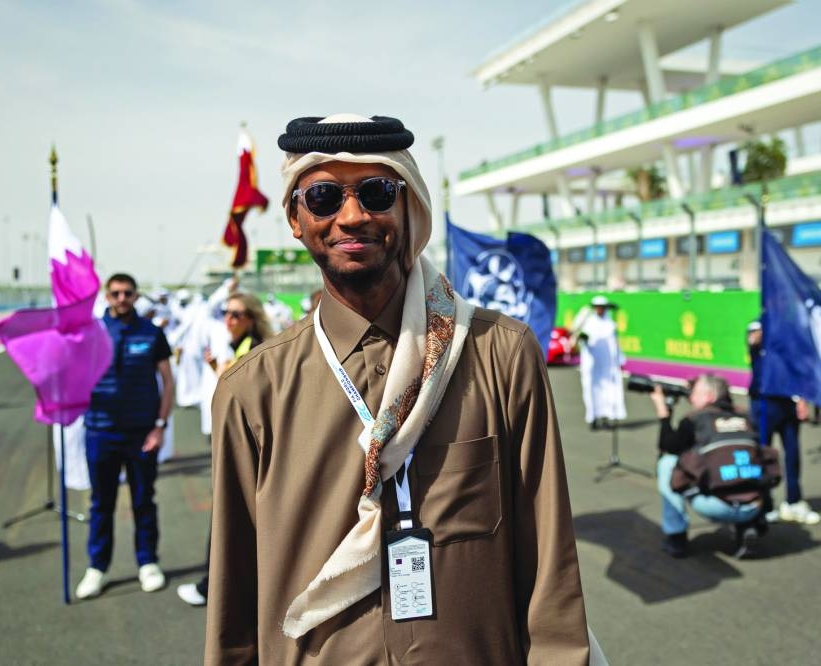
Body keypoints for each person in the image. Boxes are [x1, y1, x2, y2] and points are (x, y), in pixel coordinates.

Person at [205, 114, 589, 664]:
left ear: (407, 206)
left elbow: (550, 562)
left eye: (376, 192)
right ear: (294, 217)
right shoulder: (252, 390)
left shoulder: (499, 355)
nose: (353, 215)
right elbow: (233, 596)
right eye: (323, 197)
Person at [75, 273, 174, 600]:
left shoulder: (151, 332)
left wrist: (160, 425)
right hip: (100, 432)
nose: (121, 298)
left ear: (135, 296)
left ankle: (148, 562)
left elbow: (167, 381)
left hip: (142, 433)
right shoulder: (91, 332)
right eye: (115, 293)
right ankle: (97, 567)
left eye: (127, 293)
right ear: (106, 295)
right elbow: (73, 374)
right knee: (101, 504)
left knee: (144, 501)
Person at [177, 292, 273, 607]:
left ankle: (212, 587)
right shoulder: (241, 347)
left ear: (251, 318)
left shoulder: (256, 350)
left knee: (229, 517)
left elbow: (245, 397)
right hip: (237, 442)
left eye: (236, 314)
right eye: (225, 313)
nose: (228, 320)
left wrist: (221, 372)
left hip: (249, 448)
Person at [650, 374, 777, 559]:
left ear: (709, 396)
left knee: (667, 463)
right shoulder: (746, 417)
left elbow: (667, 446)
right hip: (755, 504)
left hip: (716, 505)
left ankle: (676, 537)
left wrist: (663, 413)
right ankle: (749, 526)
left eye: (694, 392)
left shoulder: (694, 420)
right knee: (743, 463)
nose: (690, 397)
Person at [747, 321, 821, 525]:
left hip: (787, 402)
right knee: (762, 454)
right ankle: (765, 502)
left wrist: (802, 399)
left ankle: (794, 501)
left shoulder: (789, 333)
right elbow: (753, 340)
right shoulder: (760, 324)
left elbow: (798, 369)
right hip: (763, 403)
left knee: (793, 454)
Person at [572, 295, 626, 429]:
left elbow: (614, 345)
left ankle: (607, 417)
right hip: (592, 365)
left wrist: (619, 359)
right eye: (598, 307)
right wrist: (582, 338)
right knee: (591, 389)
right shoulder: (588, 323)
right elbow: (581, 338)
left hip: (608, 366)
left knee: (608, 390)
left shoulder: (610, 324)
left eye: (603, 307)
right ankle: (593, 417)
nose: (600, 310)